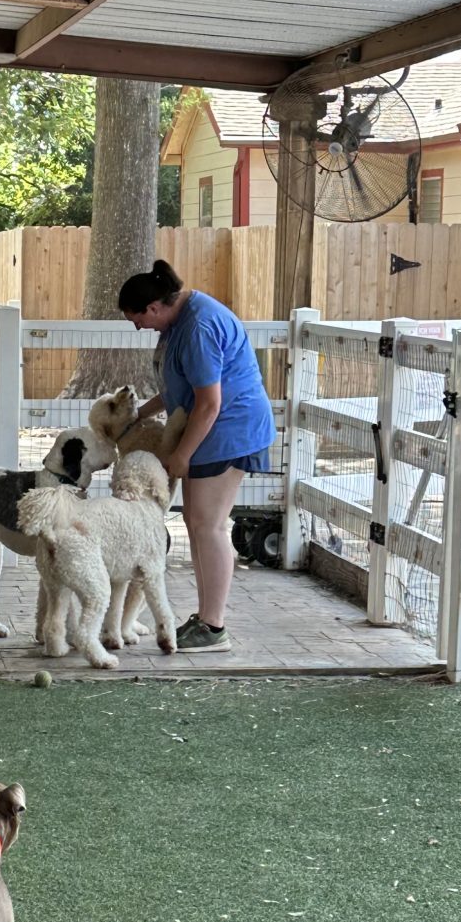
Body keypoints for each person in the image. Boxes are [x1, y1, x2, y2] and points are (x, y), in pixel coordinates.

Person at [118, 259, 275, 652]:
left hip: (227, 430)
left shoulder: (199, 327)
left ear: (154, 307)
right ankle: (206, 619)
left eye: (138, 319)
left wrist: (181, 455)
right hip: (210, 428)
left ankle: (214, 625)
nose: (139, 327)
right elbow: (179, 389)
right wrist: (137, 416)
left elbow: (209, 403)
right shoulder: (181, 320)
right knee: (198, 522)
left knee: (209, 525)